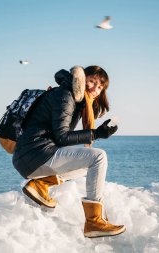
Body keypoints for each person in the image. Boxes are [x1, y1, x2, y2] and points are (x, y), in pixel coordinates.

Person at [12, 65, 125, 238]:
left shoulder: (75, 98)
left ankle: (40, 185)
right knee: (99, 157)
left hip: (31, 155)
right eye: (92, 82)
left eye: (100, 87)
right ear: (82, 79)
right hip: (36, 153)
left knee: (86, 166)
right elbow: (62, 137)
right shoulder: (66, 95)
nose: (95, 89)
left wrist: (96, 133)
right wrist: (96, 134)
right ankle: (94, 221)